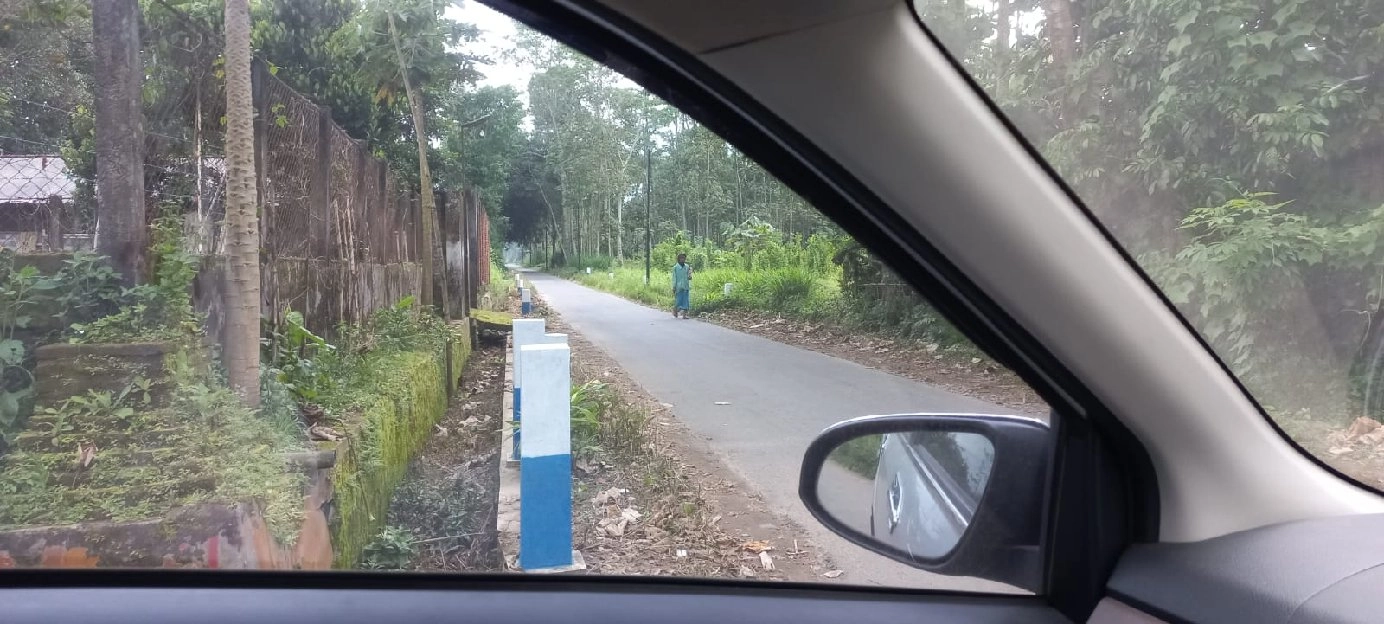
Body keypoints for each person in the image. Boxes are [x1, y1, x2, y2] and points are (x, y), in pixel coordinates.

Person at [672, 253, 693, 318]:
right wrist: (674, 287)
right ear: (678, 259)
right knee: (678, 300)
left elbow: (689, 277)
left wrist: (690, 275)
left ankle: (684, 315)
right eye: (681, 258)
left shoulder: (687, 266)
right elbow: (674, 278)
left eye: (683, 258)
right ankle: (675, 309)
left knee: (686, 301)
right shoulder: (675, 267)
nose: (682, 259)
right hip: (679, 287)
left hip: (686, 286)